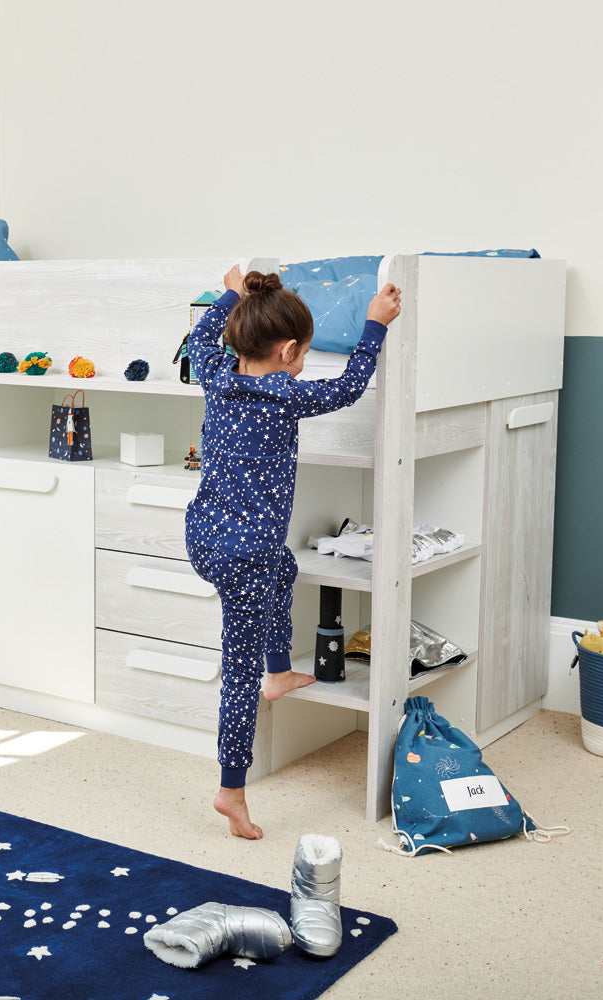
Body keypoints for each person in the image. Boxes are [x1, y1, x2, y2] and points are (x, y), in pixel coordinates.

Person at [185, 265, 401, 839]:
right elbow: (352, 385)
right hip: (245, 553)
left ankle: (278, 672)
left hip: (205, 536)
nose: (304, 360)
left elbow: (201, 336)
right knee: (237, 671)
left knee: (286, 567)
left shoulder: (214, 371)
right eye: (303, 351)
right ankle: (231, 790)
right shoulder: (285, 395)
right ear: (287, 351)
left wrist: (232, 290)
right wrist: (374, 325)